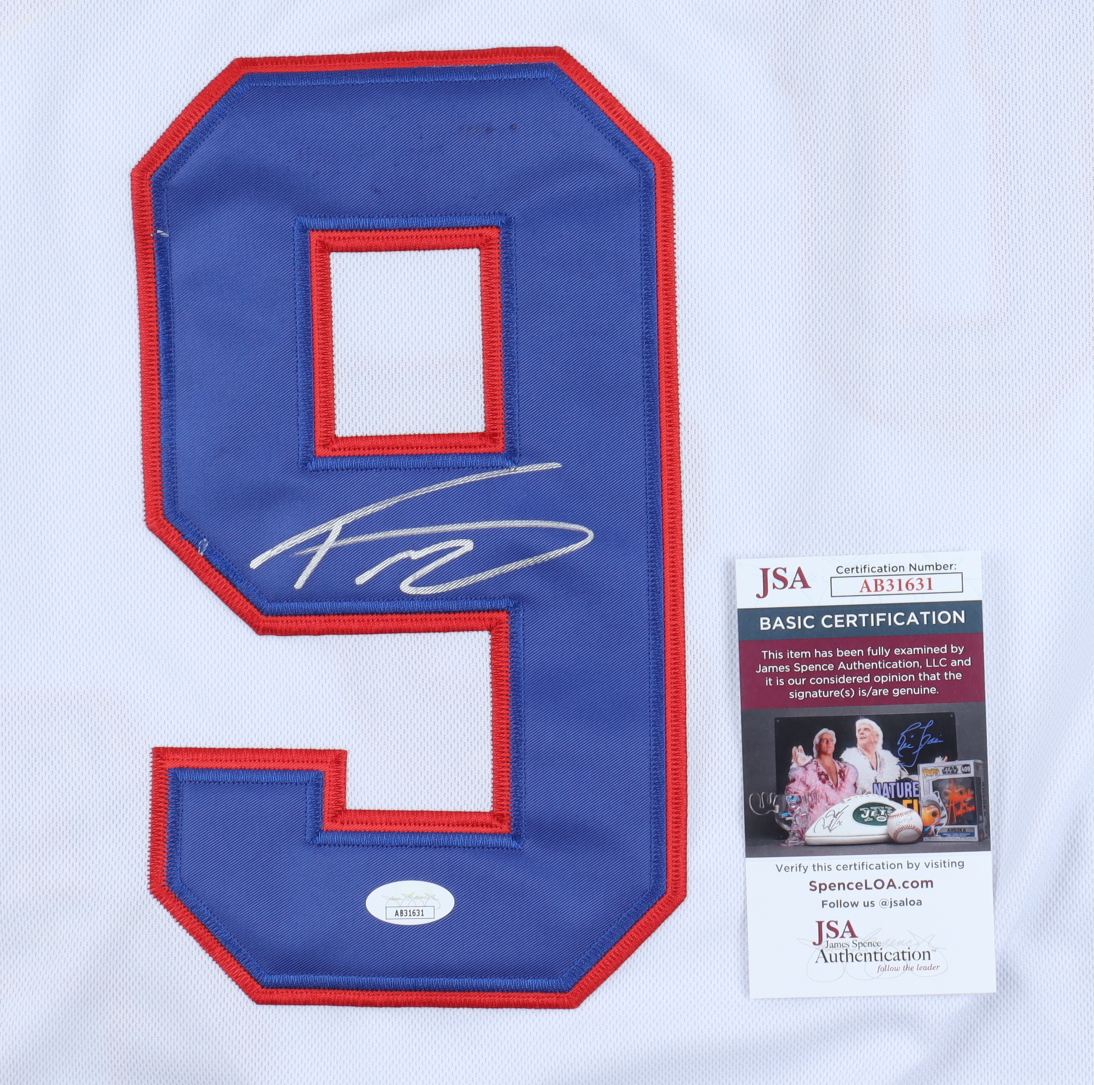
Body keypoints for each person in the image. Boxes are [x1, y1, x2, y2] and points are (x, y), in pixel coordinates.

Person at [784, 728, 858, 844]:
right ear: (817, 746)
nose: (829, 743)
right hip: (817, 828)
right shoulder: (807, 770)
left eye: (831, 740)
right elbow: (794, 800)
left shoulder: (846, 770)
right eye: (824, 740)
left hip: (844, 828)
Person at [841, 717, 907, 794]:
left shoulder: (890, 761)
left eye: (866, 729)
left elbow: (907, 780)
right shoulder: (848, 762)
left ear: (876, 737)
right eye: (859, 730)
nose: (861, 732)